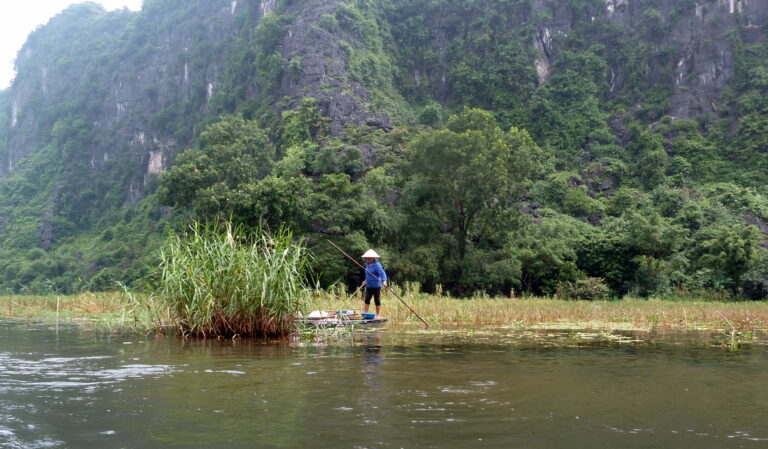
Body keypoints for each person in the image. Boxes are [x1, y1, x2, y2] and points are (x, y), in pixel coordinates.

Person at [361, 249, 387, 319]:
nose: (368, 259)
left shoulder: (377, 265)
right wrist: (365, 281)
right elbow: (368, 274)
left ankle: (377, 315)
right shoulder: (367, 265)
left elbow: (382, 273)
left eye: (370, 257)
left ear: (373, 258)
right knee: (367, 299)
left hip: (376, 286)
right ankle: (365, 314)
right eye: (367, 258)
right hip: (369, 286)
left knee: (376, 300)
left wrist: (384, 281)